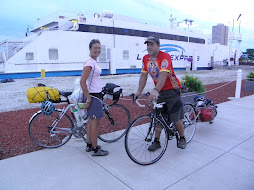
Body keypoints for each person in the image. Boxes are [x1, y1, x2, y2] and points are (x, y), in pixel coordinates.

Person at [135, 36, 186, 150]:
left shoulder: (165, 57)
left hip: (172, 89)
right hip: (160, 90)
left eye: (152, 44)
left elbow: (163, 75)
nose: (149, 47)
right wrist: (138, 92)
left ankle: (182, 137)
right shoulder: (145, 59)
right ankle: (156, 141)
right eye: (147, 44)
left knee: (175, 118)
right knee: (158, 117)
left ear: (158, 46)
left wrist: (156, 90)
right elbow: (143, 75)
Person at [80, 39, 109, 156]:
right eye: (95, 48)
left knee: (90, 123)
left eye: (99, 48)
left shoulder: (93, 61)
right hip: (93, 96)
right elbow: (82, 81)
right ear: (90, 49)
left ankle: (89, 144)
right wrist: (88, 98)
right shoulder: (90, 63)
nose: (97, 50)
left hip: (94, 94)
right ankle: (96, 148)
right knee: (95, 124)